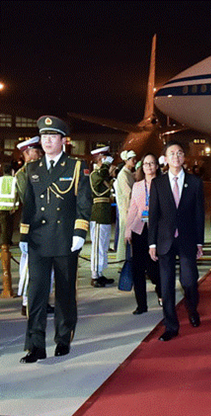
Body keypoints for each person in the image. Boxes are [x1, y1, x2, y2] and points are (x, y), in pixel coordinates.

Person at [19, 115, 92, 363]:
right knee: (36, 293)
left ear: (63, 140)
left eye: (52, 136)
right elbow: (29, 206)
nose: (47, 141)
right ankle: (35, 345)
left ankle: (63, 338)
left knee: (64, 293)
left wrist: (79, 233)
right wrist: (24, 234)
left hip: (64, 239)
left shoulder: (75, 167)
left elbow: (84, 203)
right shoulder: (32, 169)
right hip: (39, 240)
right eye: (44, 136)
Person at [148, 141, 204, 341]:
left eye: (180, 153)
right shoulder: (158, 183)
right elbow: (153, 215)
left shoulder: (195, 182)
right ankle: (171, 325)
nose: (176, 156)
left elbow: (199, 214)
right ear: (165, 158)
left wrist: (199, 242)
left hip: (187, 239)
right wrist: (152, 243)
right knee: (166, 284)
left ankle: (192, 309)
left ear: (183, 157)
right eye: (172, 153)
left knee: (189, 280)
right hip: (165, 240)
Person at [125, 153, 162, 315]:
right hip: (139, 229)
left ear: (157, 166)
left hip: (157, 230)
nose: (149, 166)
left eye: (152, 163)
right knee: (138, 269)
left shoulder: (162, 184)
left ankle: (161, 292)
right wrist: (128, 230)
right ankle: (141, 304)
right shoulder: (137, 186)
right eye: (146, 164)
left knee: (155, 268)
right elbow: (133, 208)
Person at [15, 137, 48, 315]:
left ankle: (42, 301)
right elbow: (28, 201)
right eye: (36, 150)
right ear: (27, 152)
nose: (40, 153)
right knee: (30, 266)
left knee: (45, 267)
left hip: (47, 225)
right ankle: (27, 303)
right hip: (33, 225)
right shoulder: (23, 174)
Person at [89, 146, 115, 288]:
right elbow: (98, 191)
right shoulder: (94, 174)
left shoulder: (103, 176)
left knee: (103, 245)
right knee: (97, 246)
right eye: (105, 158)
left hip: (104, 214)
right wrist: (105, 166)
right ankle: (94, 276)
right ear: (100, 158)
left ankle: (100, 273)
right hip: (98, 214)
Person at [115, 150, 136, 262]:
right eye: (132, 159)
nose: (134, 161)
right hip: (126, 209)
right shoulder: (123, 175)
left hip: (130, 209)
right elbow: (128, 194)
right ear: (126, 160)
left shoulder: (129, 174)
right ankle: (122, 260)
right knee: (124, 234)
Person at [0, 163, 18, 298]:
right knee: (6, 233)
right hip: (8, 211)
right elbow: (16, 195)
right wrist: (14, 207)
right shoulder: (14, 180)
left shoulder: (0, 180)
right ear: (11, 171)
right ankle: (5, 244)